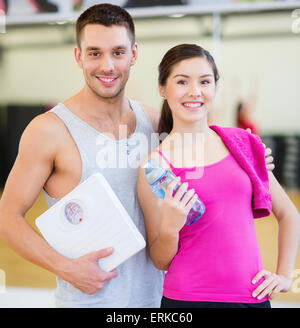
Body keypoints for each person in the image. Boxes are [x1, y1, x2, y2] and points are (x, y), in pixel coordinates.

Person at [0, 4, 274, 308]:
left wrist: (250, 161)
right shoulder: (49, 130)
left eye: (118, 52)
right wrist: (68, 268)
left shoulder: (156, 123)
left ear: (134, 54)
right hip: (90, 303)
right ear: (78, 56)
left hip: (160, 302)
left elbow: (211, 168)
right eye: (94, 53)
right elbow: (7, 217)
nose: (107, 65)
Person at [137, 44, 300, 308]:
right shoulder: (155, 167)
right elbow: (160, 259)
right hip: (188, 300)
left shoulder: (243, 145)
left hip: (252, 297)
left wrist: (284, 276)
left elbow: (289, 214)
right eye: (182, 81)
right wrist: (170, 227)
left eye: (205, 81)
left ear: (214, 87)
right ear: (162, 89)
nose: (195, 91)